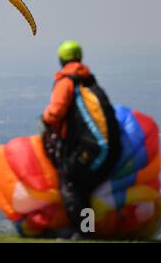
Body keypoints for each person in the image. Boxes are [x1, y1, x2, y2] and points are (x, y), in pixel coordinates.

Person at [41, 40, 120, 235]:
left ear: (61, 59)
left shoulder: (67, 81)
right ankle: (86, 230)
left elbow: (54, 113)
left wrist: (44, 121)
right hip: (109, 147)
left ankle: (85, 233)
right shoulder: (88, 80)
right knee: (83, 187)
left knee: (72, 184)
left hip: (93, 148)